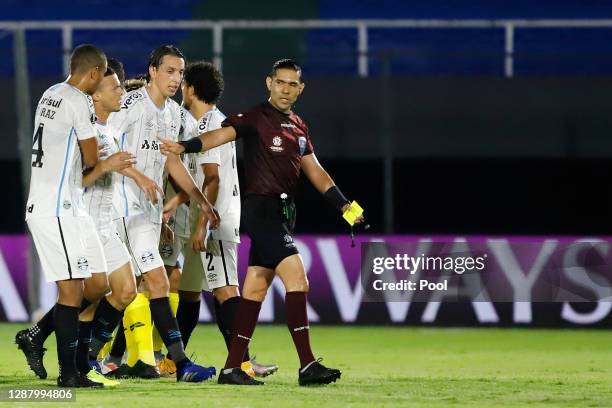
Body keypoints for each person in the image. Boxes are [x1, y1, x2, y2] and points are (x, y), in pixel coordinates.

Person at [160, 58, 364, 386]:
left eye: (292, 84)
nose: (285, 89)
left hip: (283, 214)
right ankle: (308, 364)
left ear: (301, 88)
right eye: (280, 82)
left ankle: (231, 368)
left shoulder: (299, 126)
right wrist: (185, 146)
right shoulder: (256, 117)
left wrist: (345, 206)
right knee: (298, 280)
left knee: (254, 289)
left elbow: (316, 172)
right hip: (261, 212)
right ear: (269, 83)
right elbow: (219, 136)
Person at [107, 44, 219, 383]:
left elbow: (173, 162)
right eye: (169, 71)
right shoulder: (128, 105)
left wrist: (201, 200)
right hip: (119, 209)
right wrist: (139, 176)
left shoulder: (173, 115)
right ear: (153, 70)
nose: (176, 79)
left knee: (151, 283)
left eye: (180, 73)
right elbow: (105, 146)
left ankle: (171, 362)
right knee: (113, 290)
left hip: (148, 213)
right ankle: (96, 356)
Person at [162, 61, 278, 378]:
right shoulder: (200, 122)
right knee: (188, 292)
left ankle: (242, 362)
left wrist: (201, 227)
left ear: (191, 89)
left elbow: (212, 180)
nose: (180, 88)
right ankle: (173, 360)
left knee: (226, 290)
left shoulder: (210, 127)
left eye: (183, 82)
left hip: (215, 222)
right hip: (202, 220)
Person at [19, 44, 109, 388]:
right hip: (55, 208)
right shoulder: (77, 100)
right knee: (72, 292)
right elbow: (89, 158)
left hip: (69, 204)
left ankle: (38, 334)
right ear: (94, 73)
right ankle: (69, 374)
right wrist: (102, 153)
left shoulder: (50, 93)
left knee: (98, 284)